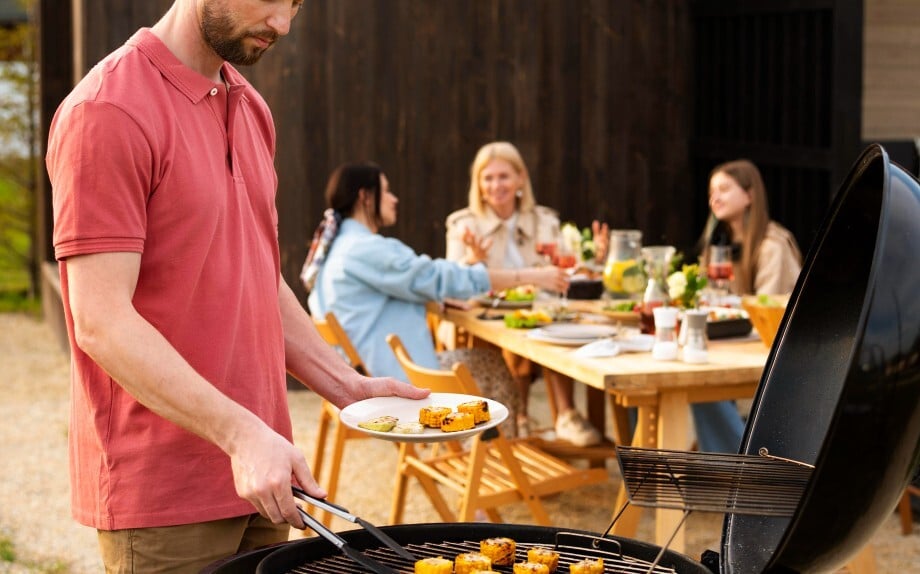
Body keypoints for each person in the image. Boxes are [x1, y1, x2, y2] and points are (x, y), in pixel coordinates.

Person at [44, 2, 428, 571]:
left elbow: (257, 273)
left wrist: (343, 384)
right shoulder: (108, 110)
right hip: (166, 498)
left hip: (268, 474)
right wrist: (241, 435)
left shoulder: (251, 106)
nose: (284, 25)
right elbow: (101, 320)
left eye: (296, 4)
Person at [303, 162, 569, 438]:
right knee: (491, 364)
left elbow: (409, 283)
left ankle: (481, 451)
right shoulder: (366, 249)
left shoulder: (337, 246)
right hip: (394, 382)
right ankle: (490, 456)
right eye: (387, 191)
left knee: (481, 361)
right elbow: (436, 277)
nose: (394, 199)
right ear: (365, 197)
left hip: (366, 370)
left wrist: (449, 282)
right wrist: (529, 276)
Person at [445, 141, 609, 447]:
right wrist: (472, 260)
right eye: (488, 178)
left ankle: (565, 416)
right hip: (484, 314)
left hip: (536, 312)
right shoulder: (463, 224)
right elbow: (450, 280)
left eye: (504, 176)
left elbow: (564, 270)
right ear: (478, 185)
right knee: (521, 340)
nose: (496, 185)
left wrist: (593, 261)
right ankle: (518, 419)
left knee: (559, 330)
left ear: (520, 179)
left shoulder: (544, 220)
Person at [693, 158, 804, 453]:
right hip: (738, 348)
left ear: (750, 195)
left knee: (702, 388)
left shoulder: (772, 245)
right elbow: (706, 300)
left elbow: (768, 316)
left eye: (724, 189)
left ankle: (740, 472)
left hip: (777, 362)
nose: (715, 197)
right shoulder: (720, 245)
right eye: (711, 191)